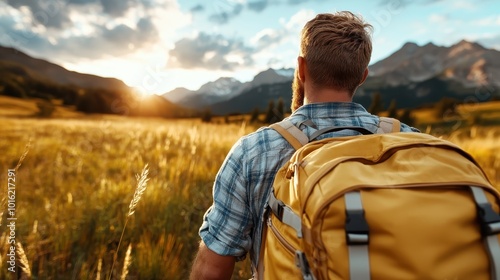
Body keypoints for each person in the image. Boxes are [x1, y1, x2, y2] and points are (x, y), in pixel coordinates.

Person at [189, 11, 419, 279]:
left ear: (301, 68)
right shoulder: (407, 140)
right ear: (362, 76)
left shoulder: (253, 151)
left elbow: (211, 270)